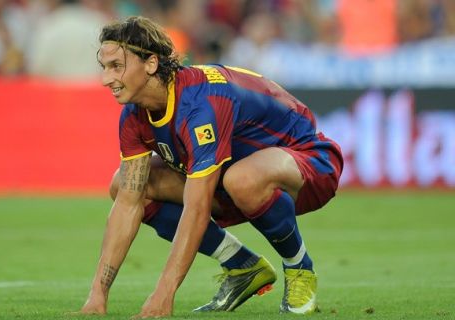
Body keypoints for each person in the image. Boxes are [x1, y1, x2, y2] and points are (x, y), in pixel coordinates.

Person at [80, 16, 343, 318]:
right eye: (105, 67)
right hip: (229, 178)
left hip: (308, 162)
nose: (105, 79)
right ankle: (242, 265)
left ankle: (299, 268)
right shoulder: (134, 116)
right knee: (128, 185)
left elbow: (197, 207)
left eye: (116, 66)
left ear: (150, 63)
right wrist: (97, 297)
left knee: (242, 179)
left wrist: (163, 295)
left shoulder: (200, 103)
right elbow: (128, 202)